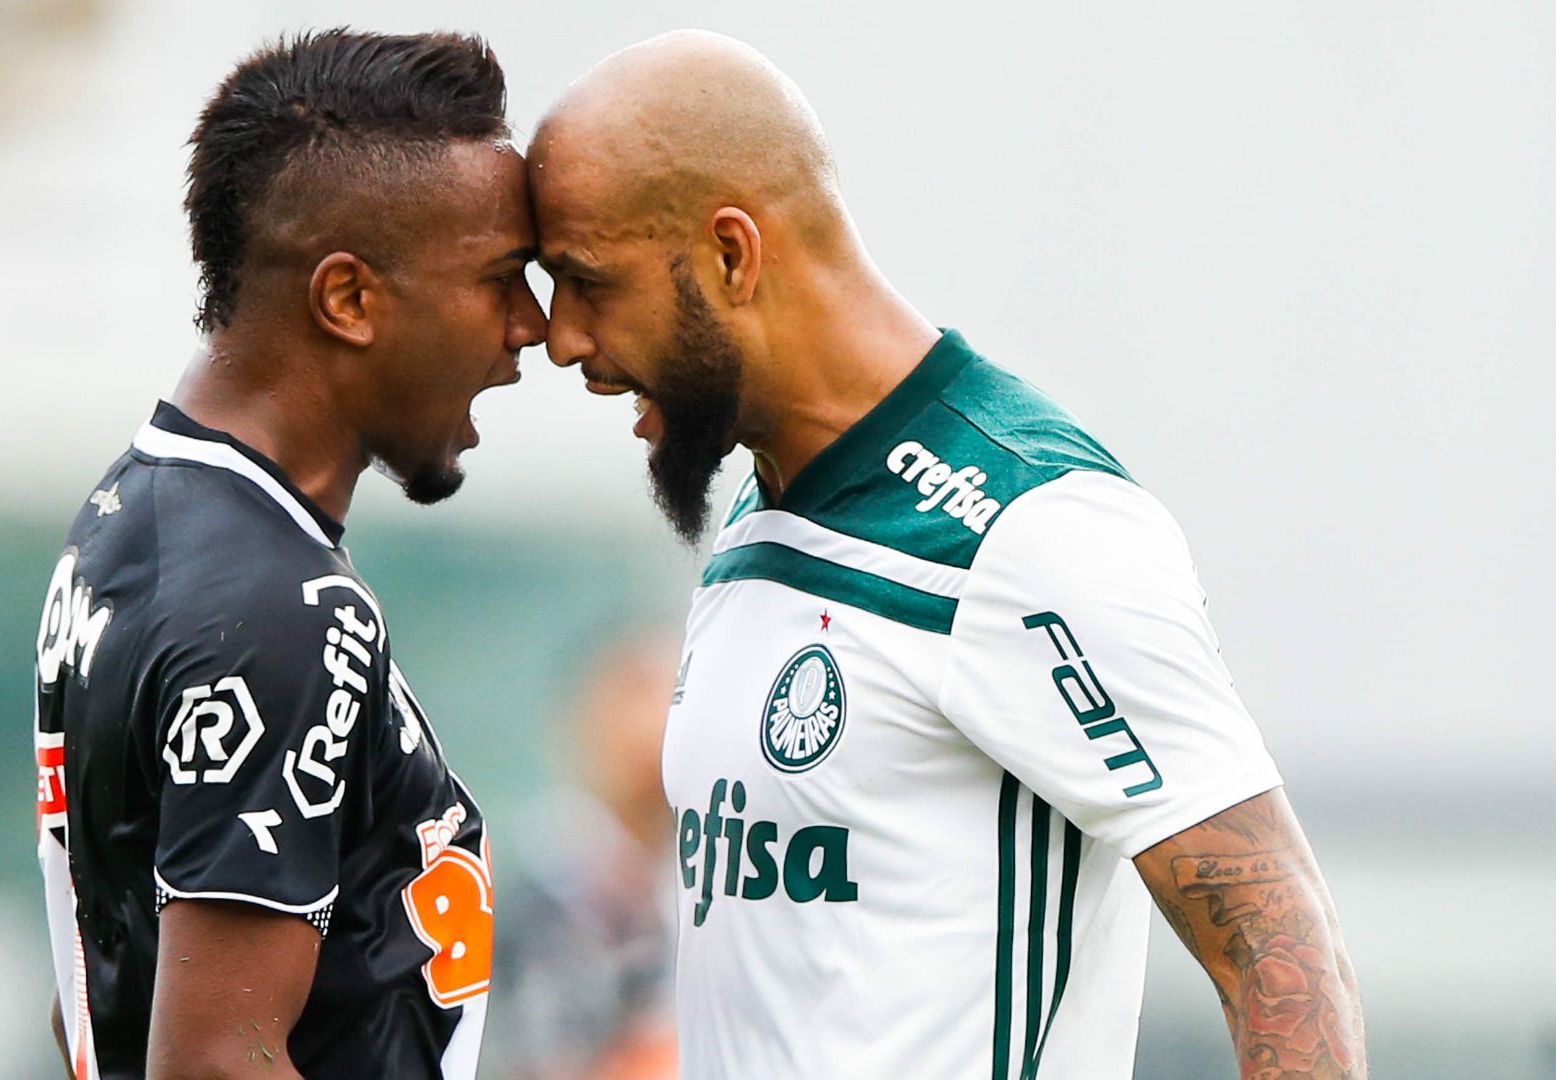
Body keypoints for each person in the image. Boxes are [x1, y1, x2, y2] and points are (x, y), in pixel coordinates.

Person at [527, 30, 1366, 1080]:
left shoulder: (1030, 528)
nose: (559, 338)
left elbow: (1279, 943)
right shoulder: (756, 514)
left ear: (733, 255)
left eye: (587, 282)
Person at [32, 30, 545, 1080]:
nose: (529, 327)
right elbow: (218, 1059)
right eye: (499, 280)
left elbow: (92, 991)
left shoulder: (132, 517)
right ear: (348, 298)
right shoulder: (275, 608)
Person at [482, 630, 681, 1080]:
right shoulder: (549, 896)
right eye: (637, 693)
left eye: (675, 693)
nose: (658, 721)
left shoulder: (695, 882)